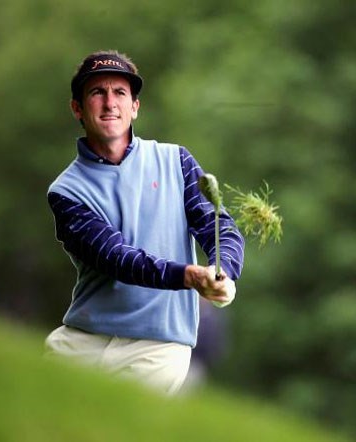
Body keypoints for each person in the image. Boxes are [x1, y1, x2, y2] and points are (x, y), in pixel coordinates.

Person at [44, 49, 244, 395]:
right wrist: (188, 275)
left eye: (120, 93)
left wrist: (223, 270)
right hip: (83, 338)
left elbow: (218, 226)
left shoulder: (176, 161)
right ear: (77, 108)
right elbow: (117, 259)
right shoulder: (66, 191)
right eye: (97, 92)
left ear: (135, 106)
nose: (110, 103)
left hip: (159, 344)